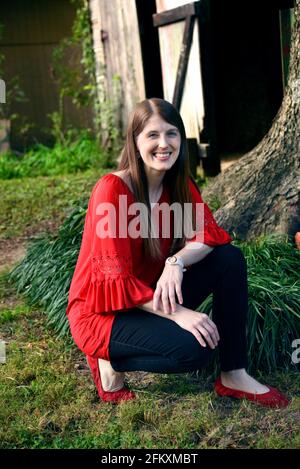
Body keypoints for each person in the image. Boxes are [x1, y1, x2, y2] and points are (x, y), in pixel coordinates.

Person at [66, 98, 289, 407]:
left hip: (147, 297)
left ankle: (234, 374)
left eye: (171, 134)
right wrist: (179, 314)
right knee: (194, 350)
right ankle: (109, 362)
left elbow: (207, 235)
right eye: (152, 135)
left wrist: (176, 261)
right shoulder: (113, 191)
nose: (163, 144)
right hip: (103, 312)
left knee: (229, 259)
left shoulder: (178, 185)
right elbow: (115, 281)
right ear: (134, 142)